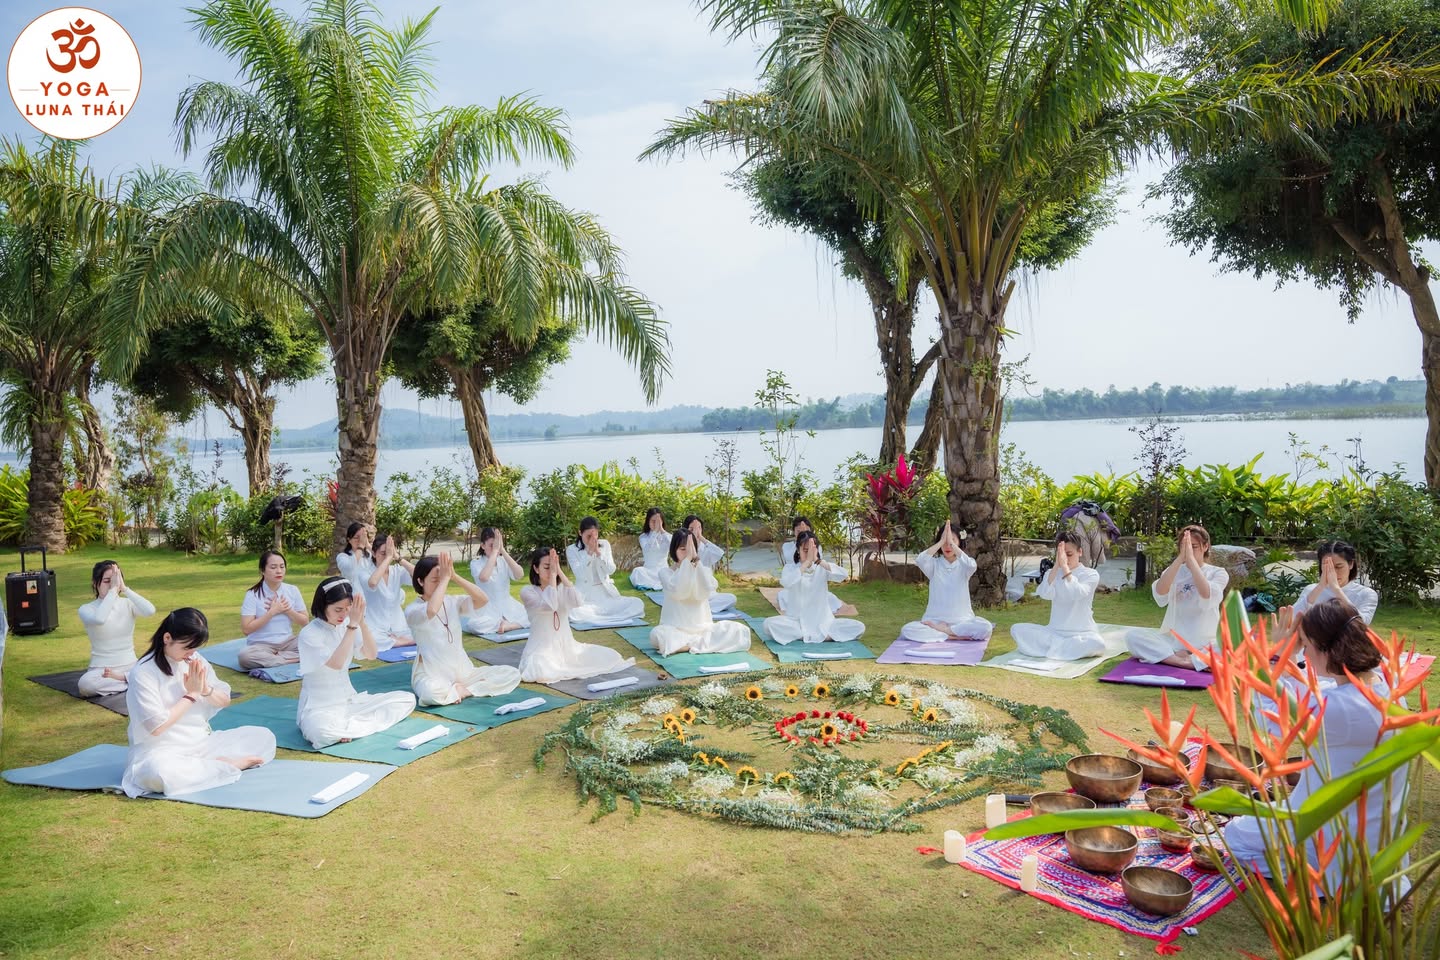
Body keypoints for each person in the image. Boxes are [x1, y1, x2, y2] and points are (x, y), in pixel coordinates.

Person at [1223, 599, 1408, 888]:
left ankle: (1318, 875)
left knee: (1235, 835)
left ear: (1327, 648)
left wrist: (1276, 657)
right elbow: (1318, 692)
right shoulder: (1386, 682)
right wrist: (1290, 659)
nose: (1305, 653)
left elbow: (1269, 721)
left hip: (1334, 832)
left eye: (1306, 645)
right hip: (1378, 832)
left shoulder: (1338, 709)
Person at [121, 608, 276, 797]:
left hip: (203, 744)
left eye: (195, 648)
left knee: (263, 736)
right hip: (162, 752)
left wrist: (205, 689)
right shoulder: (144, 672)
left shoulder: (194, 658)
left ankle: (210, 767)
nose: (191, 654)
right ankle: (226, 766)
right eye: (187, 648)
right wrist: (191, 695)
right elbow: (156, 727)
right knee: (157, 773)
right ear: (167, 638)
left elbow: (224, 699)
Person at [297, 578, 415, 749]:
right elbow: (336, 663)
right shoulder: (309, 633)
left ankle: (347, 728)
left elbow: (371, 654)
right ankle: (343, 729)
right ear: (323, 605)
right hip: (319, 707)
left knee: (406, 700)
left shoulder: (348, 623)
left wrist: (361, 622)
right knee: (321, 733)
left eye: (348, 609)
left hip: (349, 701)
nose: (343, 614)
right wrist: (352, 625)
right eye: (338, 609)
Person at [406, 554, 522, 705]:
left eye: (442, 579)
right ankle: (459, 689)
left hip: (463, 672)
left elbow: (483, 599)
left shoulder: (452, 601)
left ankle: (464, 691)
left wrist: (454, 576)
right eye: (435, 580)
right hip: (432, 674)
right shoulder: (412, 610)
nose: (441, 583)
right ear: (420, 581)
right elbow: (431, 610)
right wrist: (445, 579)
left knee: (511, 673)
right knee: (430, 694)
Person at [519, 547, 636, 682]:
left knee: (609, 655)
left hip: (567, 647)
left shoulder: (562, 588)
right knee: (539, 669)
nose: (551, 571)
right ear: (536, 569)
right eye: (547, 567)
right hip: (541, 649)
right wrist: (553, 576)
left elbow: (578, 601)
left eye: (553, 567)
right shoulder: (528, 592)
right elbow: (551, 605)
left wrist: (559, 572)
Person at [1125, 525, 1230, 669]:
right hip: (1174, 642)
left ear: (1205, 546)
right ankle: (1184, 662)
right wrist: (1181, 558)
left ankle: (1179, 658)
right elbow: (1160, 591)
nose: (1188, 551)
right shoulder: (1174, 570)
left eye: (1193, 547)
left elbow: (1206, 594)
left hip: (1206, 642)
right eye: (1183, 547)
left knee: (1229, 644)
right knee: (1133, 636)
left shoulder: (1218, 573)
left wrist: (1191, 561)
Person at [651, 530, 753, 656]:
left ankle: (689, 644)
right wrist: (688, 561)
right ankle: (697, 643)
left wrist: (696, 562)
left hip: (703, 630)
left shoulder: (703, 570)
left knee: (738, 630)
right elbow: (677, 591)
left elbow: (709, 588)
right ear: (674, 550)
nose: (687, 553)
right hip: (676, 629)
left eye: (690, 549)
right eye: (683, 549)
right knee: (657, 635)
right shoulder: (665, 573)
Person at [1010, 531, 1104, 659]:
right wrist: (1056, 566)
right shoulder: (1051, 573)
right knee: (1016, 629)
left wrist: (1065, 568)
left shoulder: (1090, 574)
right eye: (1062, 555)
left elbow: (1077, 593)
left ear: (1080, 552)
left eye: (1069, 554)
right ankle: (1062, 647)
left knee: (1097, 644)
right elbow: (1045, 594)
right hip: (1054, 632)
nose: (1065, 558)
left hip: (1083, 633)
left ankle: (1056, 648)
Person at [900, 520, 995, 642]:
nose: (947, 546)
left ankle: (946, 631)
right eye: (944, 543)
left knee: (985, 627)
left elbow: (972, 565)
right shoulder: (934, 565)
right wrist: (941, 541)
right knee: (907, 629)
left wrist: (951, 544)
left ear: (959, 543)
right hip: (934, 621)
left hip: (962, 621)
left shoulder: (964, 565)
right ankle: (950, 635)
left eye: (952, 542)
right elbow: (920, 560)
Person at [764, 531, 865, 644]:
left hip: (823, 622)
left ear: (816, 550)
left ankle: (808, 636)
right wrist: (806, 562)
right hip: (797, 622)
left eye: (811, 550)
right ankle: (816, 636)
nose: (808, 554)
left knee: (859, 627)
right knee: (768, 624)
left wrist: (818, 561)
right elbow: (787, 583)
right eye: (805, 550)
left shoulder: (822, 567)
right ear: (798, 550)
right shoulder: (790, 568)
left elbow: (843, 575)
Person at [76, 560, 156, 696]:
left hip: (130, 665)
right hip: (102, 670)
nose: (112, 584)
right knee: (86, 685)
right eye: (107, 581)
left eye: (115, 580)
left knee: (157, 667)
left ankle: (126, 678)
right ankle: (131, 681)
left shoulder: (128, 603)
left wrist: (124, 589)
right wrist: (113, 591)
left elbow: (150, 610)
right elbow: (100, 619)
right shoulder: (86, 609)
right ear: (95, 583)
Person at [566, 517, 645, 625]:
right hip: (587, 598)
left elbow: (611, 570)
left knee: (637, 603)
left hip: (606, 595)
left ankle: (601, 618)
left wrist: (599, 554)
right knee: (573, 612)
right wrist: (589, 553)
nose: (592, 539)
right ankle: (610, 617)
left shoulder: (604, 544)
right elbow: (580, 575)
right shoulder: (572, 550)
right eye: (588, 536)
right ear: (580, 533)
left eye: (595, 535)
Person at [238, 551, 309, 669]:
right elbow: (246, 629)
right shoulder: (252, 594)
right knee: (244, 657)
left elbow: (305, 621)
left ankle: (277, 658)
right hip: (261, 645)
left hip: (288, 642)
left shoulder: (292, 590)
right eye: (273, 567)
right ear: (262, 570)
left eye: (282, 566)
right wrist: (272, 612)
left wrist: (287, 610)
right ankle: (290, 659)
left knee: (315, 643)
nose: (279, 571)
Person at [1292, 540, 1378, 624]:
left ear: (1351, 564)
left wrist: (1336, 589)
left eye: (1338, 567)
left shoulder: (1365, 594)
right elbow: (1292, 618)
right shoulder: (1311, 590)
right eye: (1327, 566)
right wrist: (1320, 587)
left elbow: (1361, 623)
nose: (1333, 572)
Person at [464, 527, 529, 635]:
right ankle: (502, 623)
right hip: (487, 607)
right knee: (474, 625)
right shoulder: (476, 563)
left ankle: (509, 626)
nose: (495, 548)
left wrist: (502, 550)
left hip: (508, 604)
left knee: (533, 614)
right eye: (491, 545)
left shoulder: (503, 560)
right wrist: (495, 551)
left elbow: (520, 575)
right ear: (483, 545)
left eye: (497, 544)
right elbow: (484, 578)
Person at [359, 533, 415, 650]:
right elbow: (373, 583)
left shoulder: (397, 571)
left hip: (399, 626)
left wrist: (398, 558)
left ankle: (400, 641)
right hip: (376, 626)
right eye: (383, 553)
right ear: (374, 553)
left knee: (420, 633)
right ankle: (405, 642)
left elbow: (420, 576)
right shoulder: (364, 572)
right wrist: (389, 557)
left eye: (389, 553)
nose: (386, 557)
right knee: (369, 640)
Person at [777, 516, 842, 615]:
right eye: (799, 531)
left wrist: (815, 559)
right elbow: (787, 579)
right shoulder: (788, 549)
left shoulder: (820, 565)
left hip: (816, 601)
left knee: (831, 600)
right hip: (797, 583)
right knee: (784, 597)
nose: (803, 533)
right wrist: (802, 542)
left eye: (807, 531)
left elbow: (841, 574)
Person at [680, 514, 738, 614]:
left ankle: (700, 608)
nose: (696, 531)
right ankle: (699, 608)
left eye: (699, 528)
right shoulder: (683, 548)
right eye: (692, 529)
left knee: (732, 598)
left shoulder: (706, 547)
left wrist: (701, 538)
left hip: (709, 592)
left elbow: (719, 553)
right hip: (693, 590)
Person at [629, 508, 669, 590]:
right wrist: (655, 532)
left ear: (662, 522)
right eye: (653, 521)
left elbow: (673, 546)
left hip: (663, 571)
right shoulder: (643, 537)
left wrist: (661, 530)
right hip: (648, 572)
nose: (655, 524)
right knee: (637, 571)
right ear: (648, 522)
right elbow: (647, 549)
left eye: (658, 521)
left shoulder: (668, 536)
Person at [335, 522, 373, 589]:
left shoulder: (369, 554)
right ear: (349, 539)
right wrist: (361, 546)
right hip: (353, 593)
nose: (360, 540)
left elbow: (382, 562)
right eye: (356, 537)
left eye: (363, 537)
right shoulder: (342, 557)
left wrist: (367, 545)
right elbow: (349, 569)